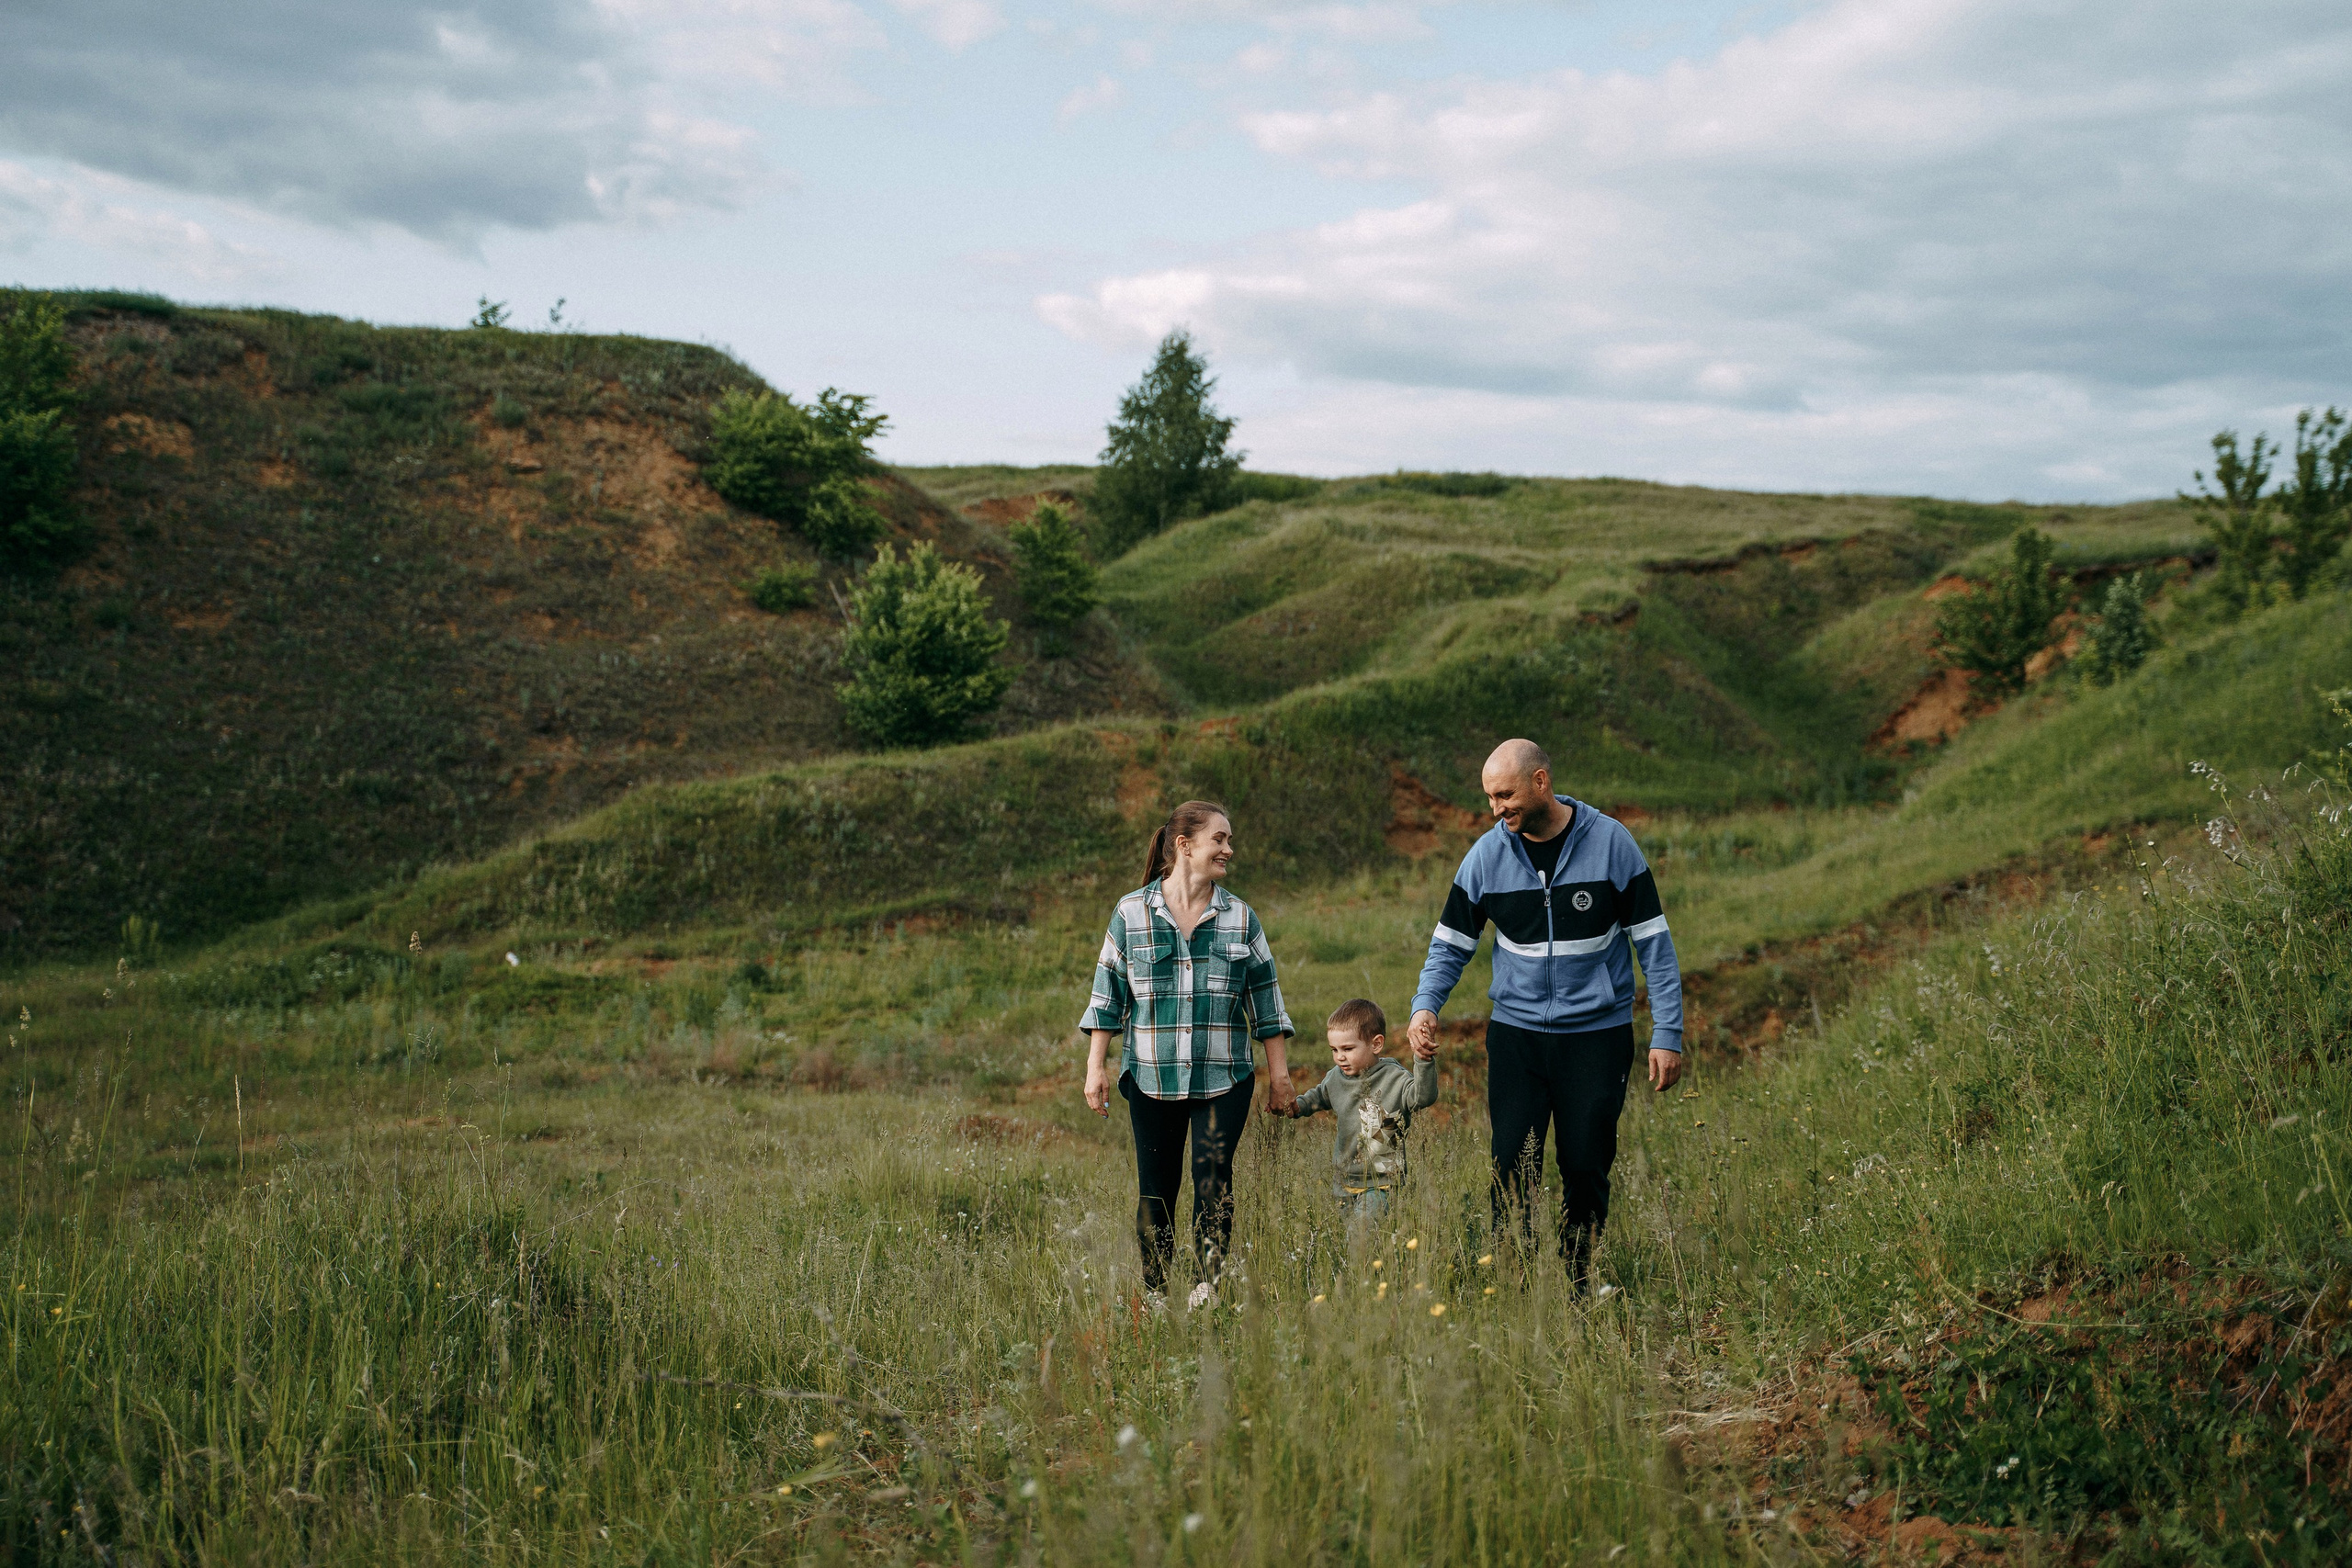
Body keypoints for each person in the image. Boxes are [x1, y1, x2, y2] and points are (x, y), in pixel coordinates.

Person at [1406, 739, 1685, 1294]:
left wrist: (1668, 1031)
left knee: (1585, 1166)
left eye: (1504, 795)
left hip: (1598, 1036)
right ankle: (1520, 1287)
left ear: (1540, 783)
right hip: (1517, 1037)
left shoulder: (1612, 844)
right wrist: (1425, 1005)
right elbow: (1450, 944)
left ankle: (1580, 1281)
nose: (1496, 810)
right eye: (1489, 798)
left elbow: (1654, 944)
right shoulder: (1486, 855)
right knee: (1511, 1166)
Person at [1082, 800, 1296, 1308]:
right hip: (1152, 1077)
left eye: (1228, 840)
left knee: (1212, 1183)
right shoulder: (1131, 913)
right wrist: (1096, 1068)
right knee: (1156, 1190)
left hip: (1224, 1078)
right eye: (1219, 839)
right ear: (1184, 845)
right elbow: (1106, 995)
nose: (1229, 849)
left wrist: (1279, 1077)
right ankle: (1156, 1295)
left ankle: (1208, 1290)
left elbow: (1266, 1002)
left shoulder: (1240, 918)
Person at [1284, 998, 1440, 1228]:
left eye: (1348, 1049)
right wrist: (1298, 1106)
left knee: (1362, 1234)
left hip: (1382, 1183)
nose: (1340, 1057)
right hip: (1344, 1179)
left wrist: (1423, 1061)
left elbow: (1422, 1097)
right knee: (1354, 1239)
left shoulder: (1393, 1078)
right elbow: (1319, 1096)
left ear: (1376, 1044)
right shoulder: (1335, 1077)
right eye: (1334, 1050)